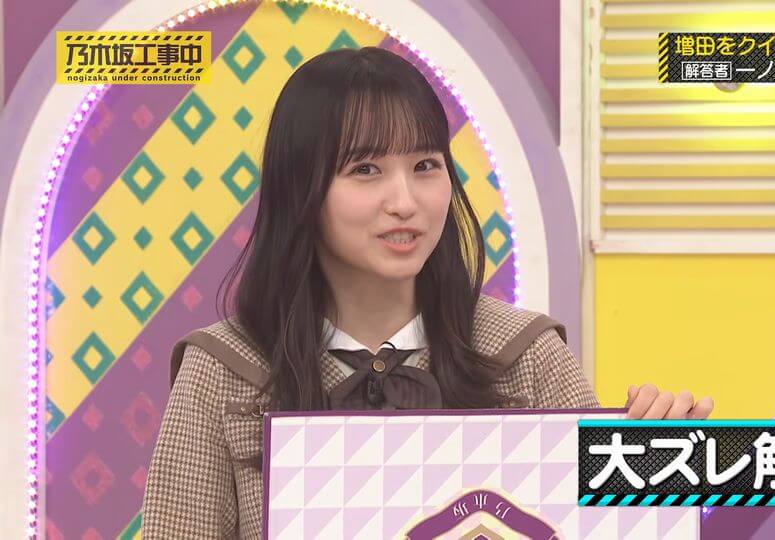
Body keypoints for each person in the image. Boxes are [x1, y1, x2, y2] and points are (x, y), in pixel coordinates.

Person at [141, 46, 713, 538]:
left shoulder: (527, 354)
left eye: (425, 165)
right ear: (301, 189)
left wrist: (658, 469)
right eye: (365, 169)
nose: (406, 201)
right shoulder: (223, 370)